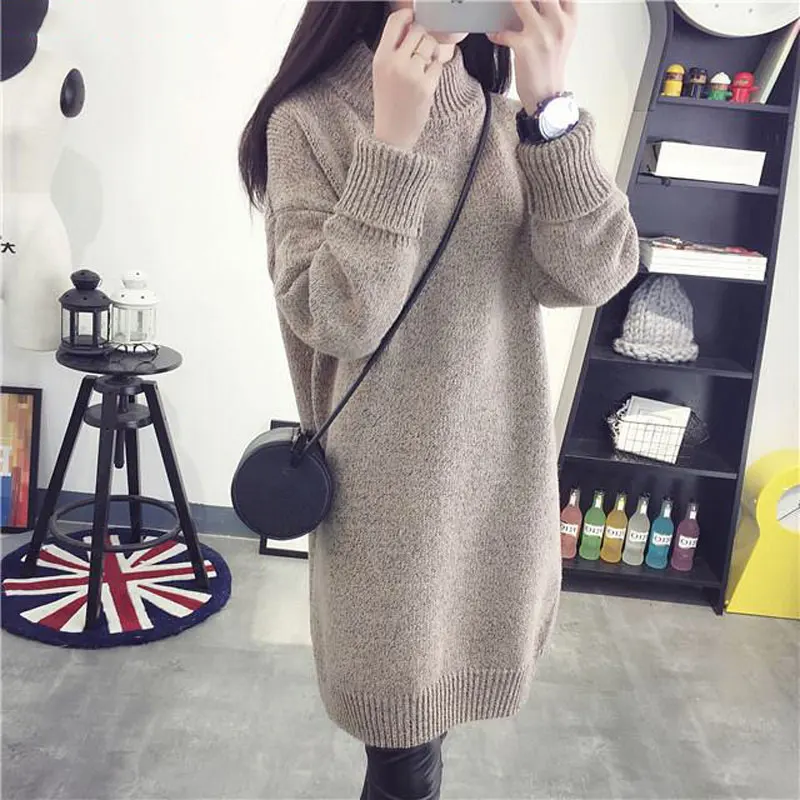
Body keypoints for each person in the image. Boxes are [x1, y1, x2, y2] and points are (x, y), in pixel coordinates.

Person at [238, 1, 638, 797]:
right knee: (404, 765)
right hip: (386, 525)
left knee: (426, 754)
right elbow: (340, 319)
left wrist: (551, 106)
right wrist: (393, 143)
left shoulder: (507, 121)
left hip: (498, 503)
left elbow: (595, 273)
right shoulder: (308, 121)